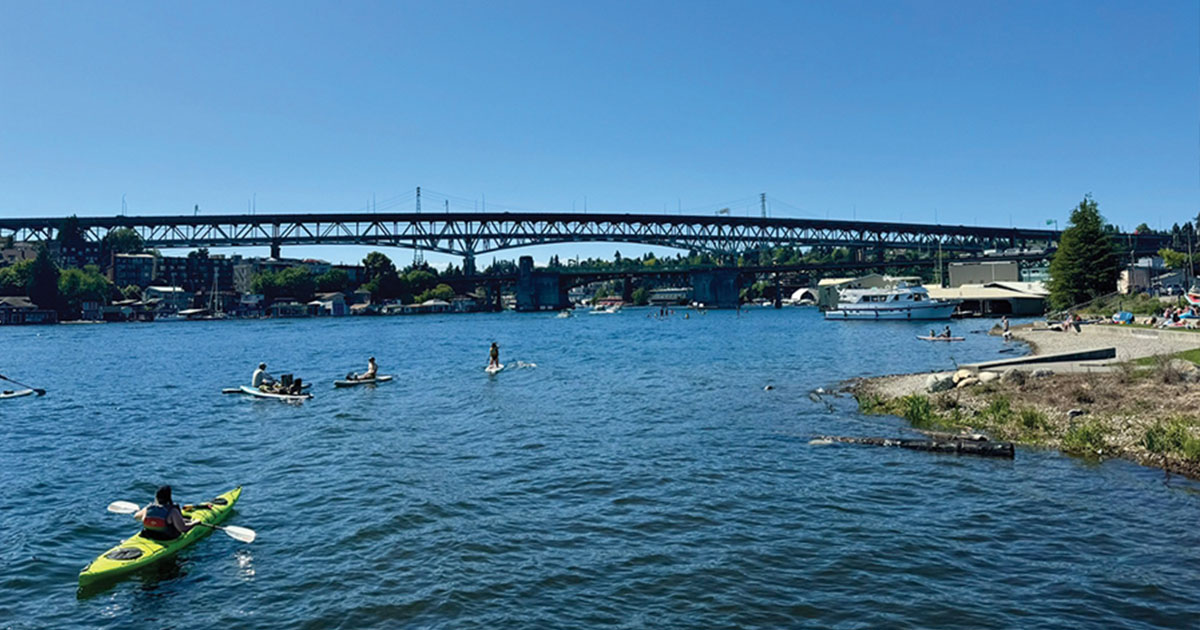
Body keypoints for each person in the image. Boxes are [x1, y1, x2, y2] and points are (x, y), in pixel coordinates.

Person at [134, 485, 202, 542]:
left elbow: (136, 517)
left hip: (149, 535)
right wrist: (196, 522)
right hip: (167, 539)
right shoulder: (172, 511)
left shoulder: (148, 508)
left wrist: (144, 513)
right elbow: (183, 528)